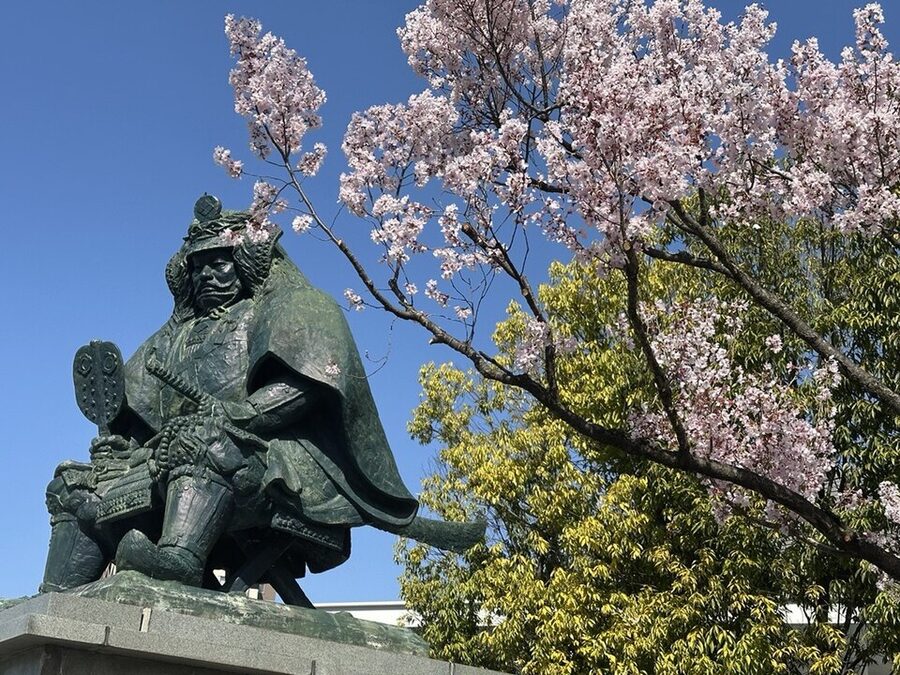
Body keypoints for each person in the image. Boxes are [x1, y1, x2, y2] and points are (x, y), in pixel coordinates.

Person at [41, 195, 482, 598]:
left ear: (246, 263)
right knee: (74, 482)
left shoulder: (277, 310)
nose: (208, 275)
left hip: (272, 459)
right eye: (198, 266)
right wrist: (123, 445)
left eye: (221, 263)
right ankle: (56, 593)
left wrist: (240, 414)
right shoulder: (171, 339)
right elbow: (142, 415)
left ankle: (179, 559)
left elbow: (306, 384)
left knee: (203, 442)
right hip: (168, 457)